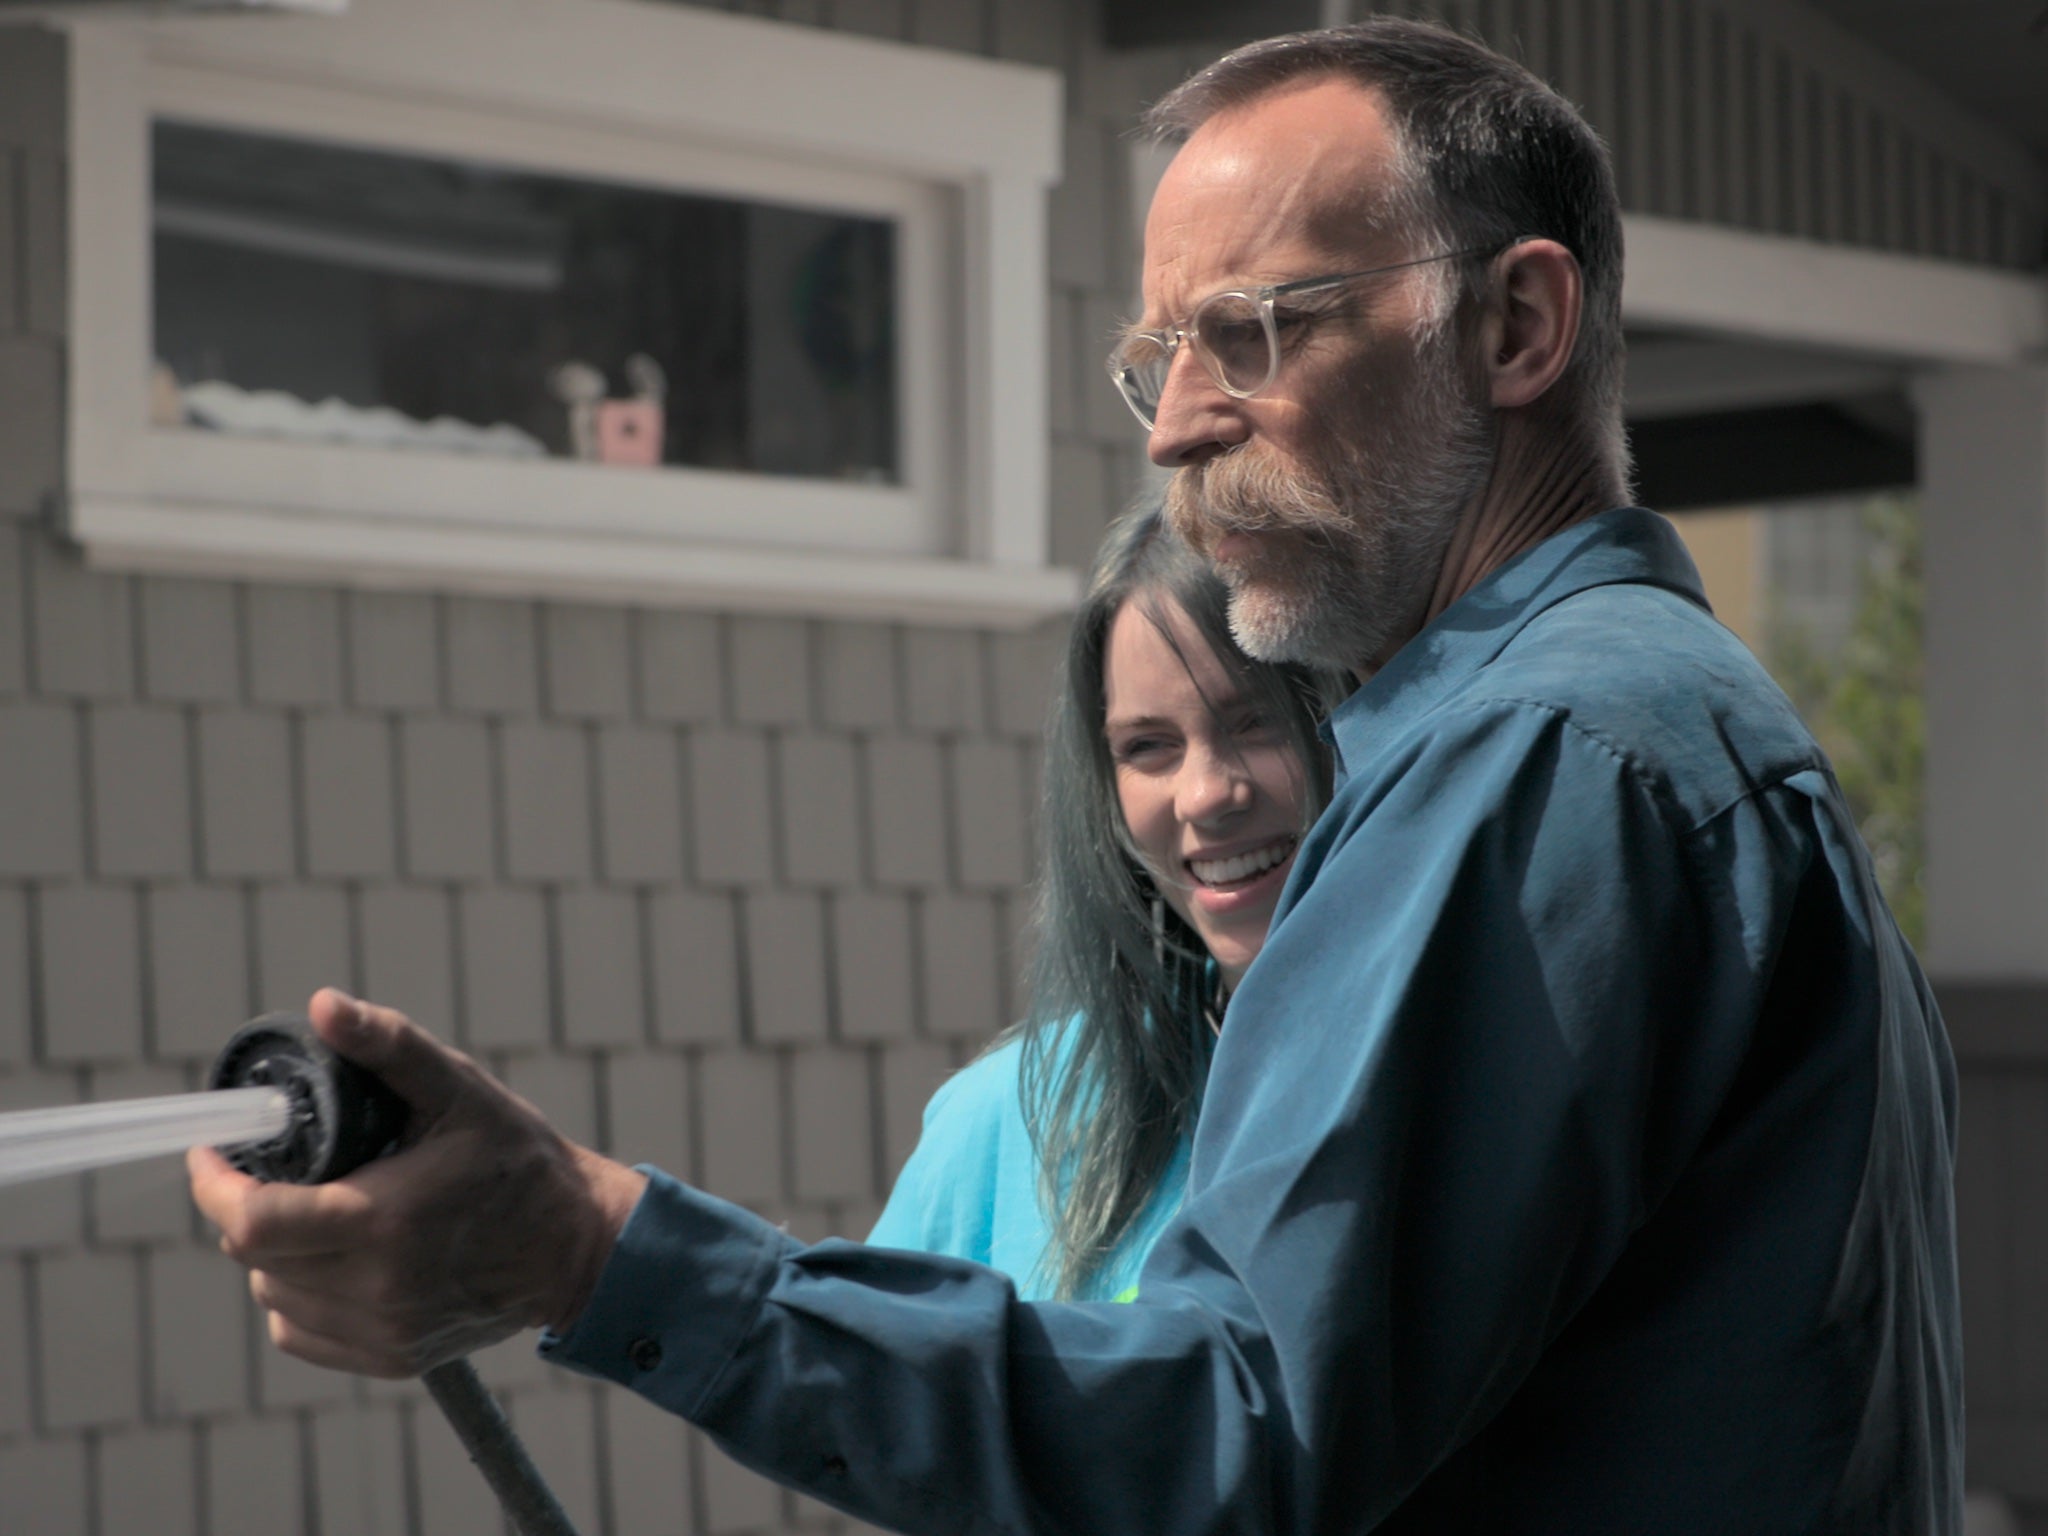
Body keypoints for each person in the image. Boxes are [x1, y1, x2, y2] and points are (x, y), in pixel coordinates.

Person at [191, 18, 1961, 1534]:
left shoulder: (1543, 752)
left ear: (1512, 329)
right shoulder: (1679, 727)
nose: (1179, 417)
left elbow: (1225, 1436)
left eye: (1255, 331)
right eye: (1154, 357)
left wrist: (595, 1249)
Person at [869, 505, 1344, 1302]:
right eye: (1146, 747)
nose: (1206, 795)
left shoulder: (1464, 1077)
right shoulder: (997, 1126)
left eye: (1258, 722)